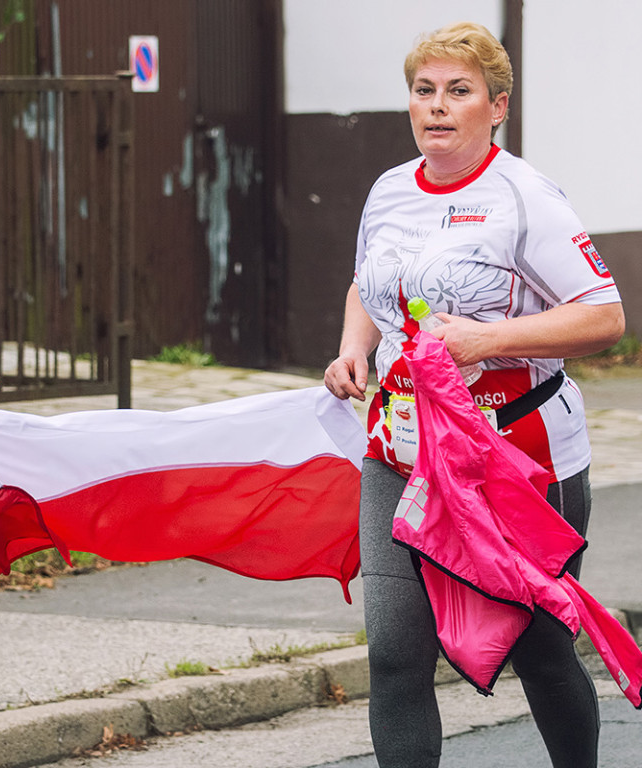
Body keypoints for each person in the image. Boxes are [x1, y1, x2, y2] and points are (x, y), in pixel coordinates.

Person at [323, 22, 624, 768]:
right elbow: (369, 280)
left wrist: (485, 341)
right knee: (394, 656)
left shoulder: (525, 197)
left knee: (543, 652)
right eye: (424, 91)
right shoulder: (390, 188)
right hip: (401, 450)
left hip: (516, 458)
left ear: (496, 107)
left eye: (458, 92)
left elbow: (606, 316)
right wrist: (352, 349)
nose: (437, 107)